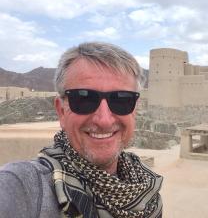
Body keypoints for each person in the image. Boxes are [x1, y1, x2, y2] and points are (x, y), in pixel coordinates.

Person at [0, 42, 163, 218]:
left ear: (135, 110)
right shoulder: (21, 186)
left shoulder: (147, 191)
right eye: (84, 99)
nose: (104, 120)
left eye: (121, 100)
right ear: (61, 111)